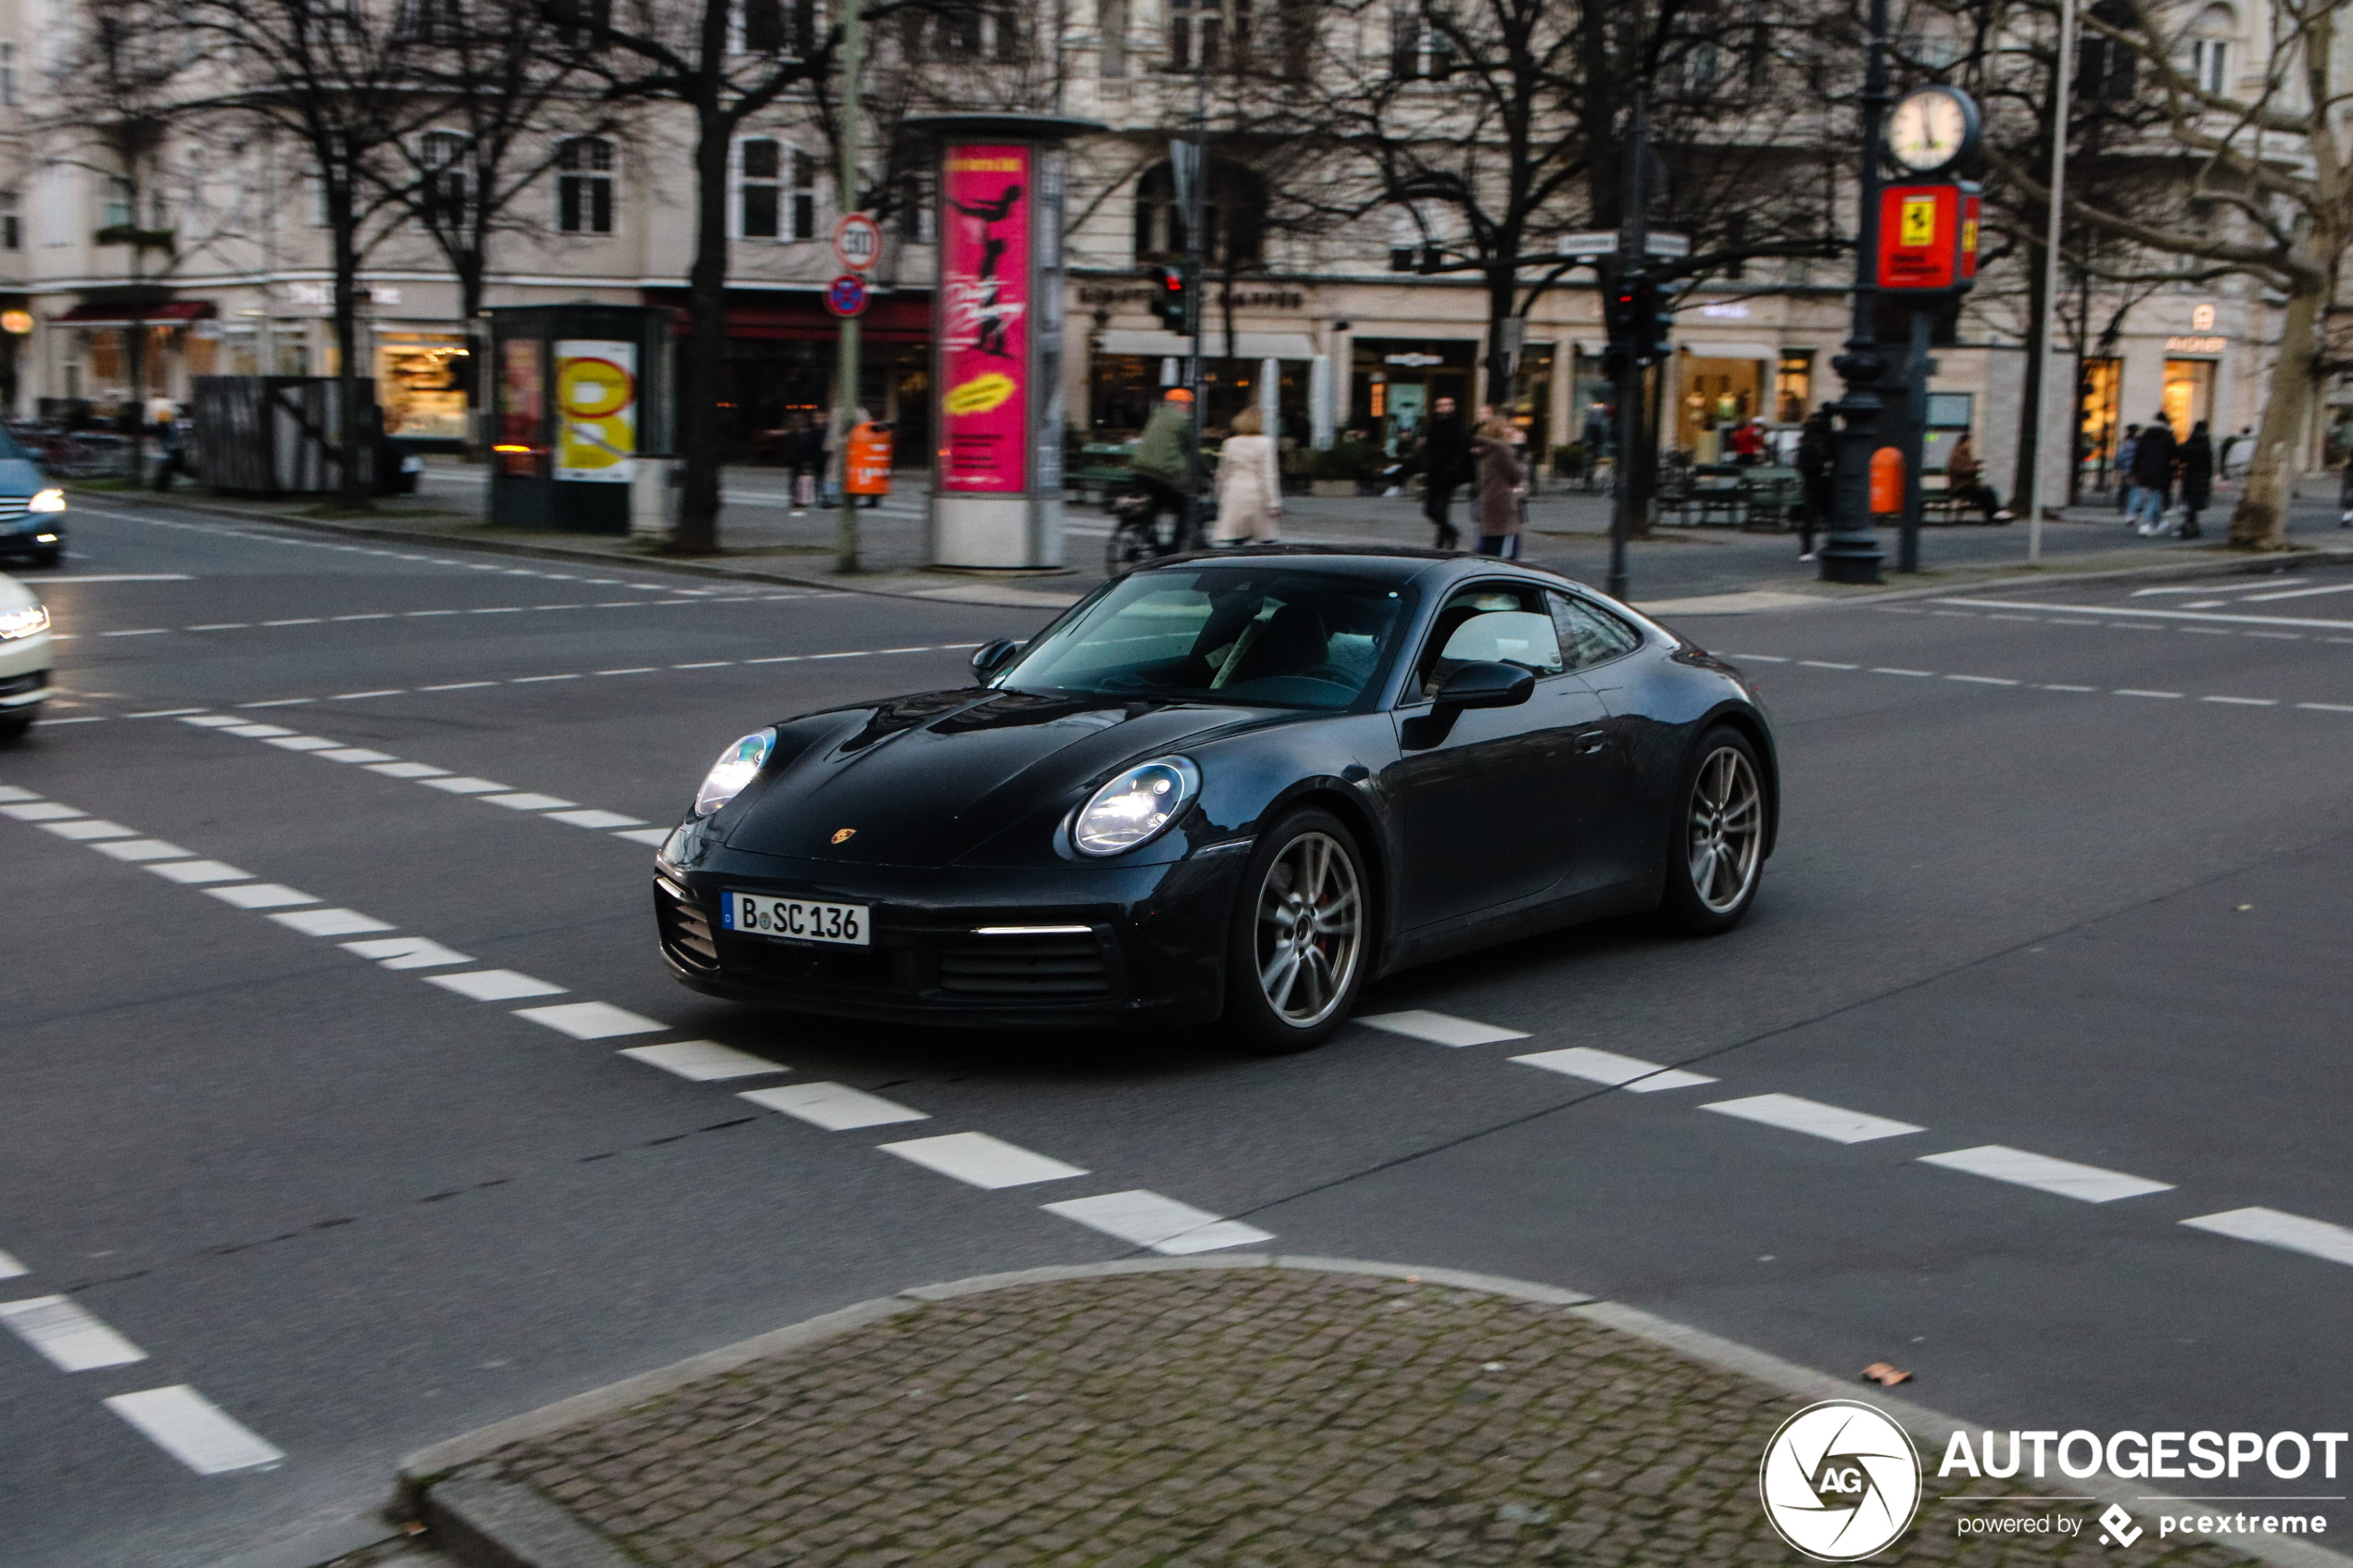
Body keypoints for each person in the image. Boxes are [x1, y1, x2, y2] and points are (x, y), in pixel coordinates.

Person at [1129, 387, 1204, 551]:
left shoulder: (1156, 415)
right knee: (1184, 509)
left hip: (1140, 471)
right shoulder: (1182, 420)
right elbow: (1192, 450)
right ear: (1182, 404)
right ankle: (1172, 550)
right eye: (1188, 405)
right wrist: (1203, 471)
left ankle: (1146, 531)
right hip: (1164, 474)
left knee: (1156, 503)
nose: (1189, 408)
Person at [1211, 405, 1282, 546]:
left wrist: (1218, 494)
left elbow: (1223, 473)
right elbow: (1268, 475)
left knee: (1235, 540)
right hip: (1256, 495)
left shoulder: (1229, 443)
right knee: (1265, 540)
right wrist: (1273, 503)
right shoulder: (1266, 443)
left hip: (1234, 493)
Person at [1470, 417, 1527, 558]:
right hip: (1504, 510)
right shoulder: (1503, 449)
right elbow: (1516, 476)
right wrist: (1520, 453)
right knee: (1506, 558)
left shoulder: (1485, 452)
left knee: (1487, 553)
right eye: (1506, 427)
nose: (1511, 430)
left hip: (1488, 507)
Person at [1420, 395, 1470, 549]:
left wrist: (1455, 468)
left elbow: (1463, 450)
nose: (1444, 408)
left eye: (1447, 405)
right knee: (1429, 509)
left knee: (1441, 509)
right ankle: (1449, 531)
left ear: (1453, 407)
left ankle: (1441, 539)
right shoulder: (1434, 425)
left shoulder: (1457, 426)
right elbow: (1428, 448)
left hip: (1449, 475)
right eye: (1441, 405)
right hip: (1434, 473)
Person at [1795, 403, 1836, 562]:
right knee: (1830, 514)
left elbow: (1800, 459)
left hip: (1810, 478)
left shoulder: (1808, 435)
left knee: (1809, 516)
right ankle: (1832, 543)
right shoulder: (1830, 435)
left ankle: (1806, 550)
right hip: (1826, 479)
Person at [1943, 433, 2014, 523]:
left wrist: (1976, 464)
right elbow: (1958, 470)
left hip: (1968, 484)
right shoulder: (1956, 456)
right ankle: (1995, 514)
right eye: (1968, 443)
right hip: (1960, 487)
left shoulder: (1966, 455)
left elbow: (1968, 467)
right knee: (1983, 493)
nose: (1969, 445)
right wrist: (1975, 469)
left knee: (1988, 491)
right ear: (1963, 443)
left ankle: (1995, 513)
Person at [2129, 412, 2178, 535]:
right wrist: (2174, 470)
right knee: (2155, 497)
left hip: (2145, 471)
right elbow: (2174, 455)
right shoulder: (2168, 437)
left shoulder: (2145, 436)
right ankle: (2147, 523)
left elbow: (2138, 455)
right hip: (2162, 471)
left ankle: (2156, 521)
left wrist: (2135, 471)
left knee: (2152, 497)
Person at [2177, 420, 2213, 539]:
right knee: (2197, 502)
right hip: (2201, 474)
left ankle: (2189, 523)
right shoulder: (2206, 443)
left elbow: (2182, 457)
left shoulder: (2189, 442)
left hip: (2190, 473)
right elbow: (2209, 461)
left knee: (2189, 500)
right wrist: (2209, 474)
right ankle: (2192, 525)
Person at [152, 409, 188, 492]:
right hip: (174, 450)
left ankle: (161, 486)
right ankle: (161, 486)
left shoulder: (164, 428)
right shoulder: (170, 428)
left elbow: (164, 441)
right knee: (170, 468)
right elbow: (174, 439)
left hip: (171, 451)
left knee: (167, 468)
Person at [2115, 424, 2141, 516]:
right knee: (2134, 489)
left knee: (2124, 489)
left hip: (2125, 469)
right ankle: (2133, 507)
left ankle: (2121, 506)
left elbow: (2119, 457)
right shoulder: (2138, 444)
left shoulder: (2124, 444)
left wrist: (2118, 467)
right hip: (2135, 469)